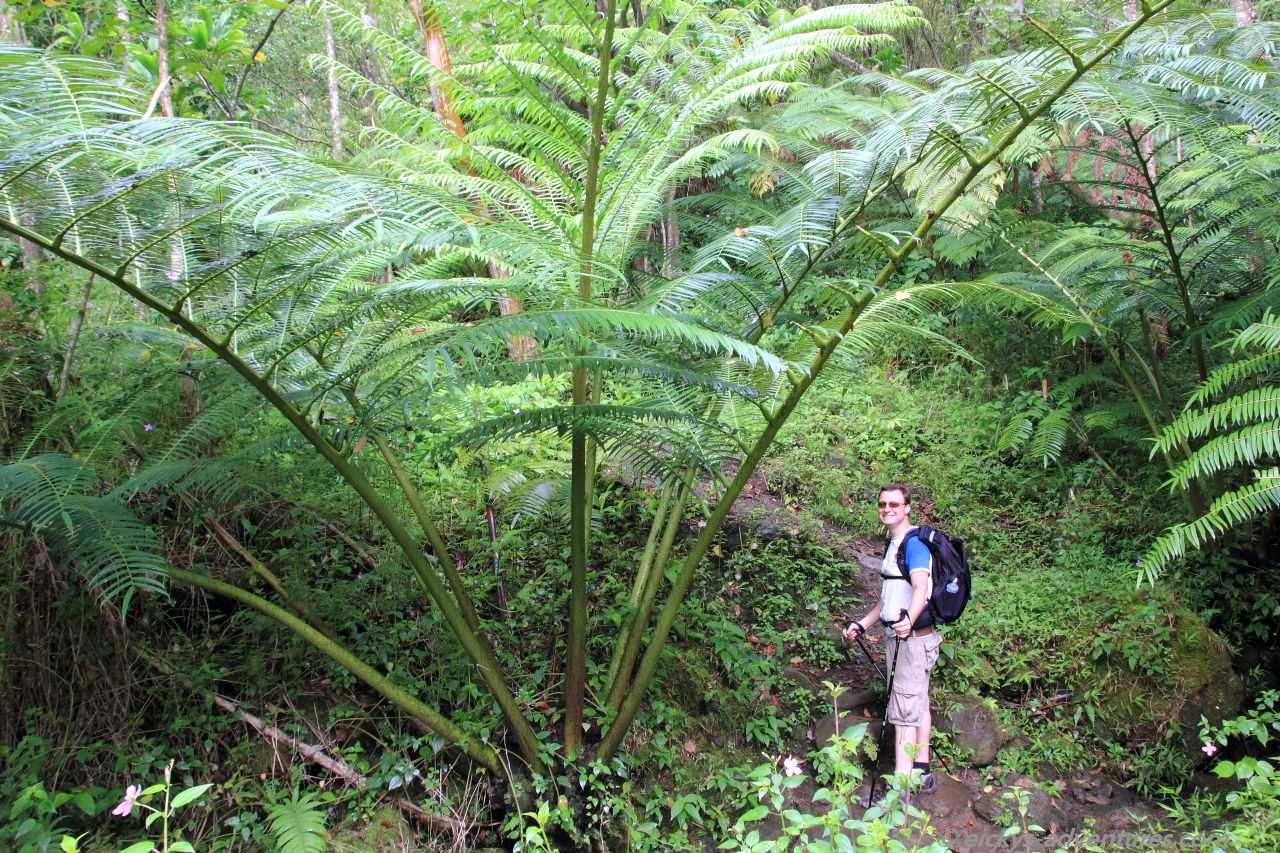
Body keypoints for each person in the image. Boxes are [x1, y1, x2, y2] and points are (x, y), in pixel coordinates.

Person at [842, 483, 942, 795]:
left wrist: (909, 620)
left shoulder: (913, 545)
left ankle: (900, 787)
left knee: (903, 710)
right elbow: (888, 600)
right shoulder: (896, 543)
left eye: (894, 504)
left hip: (911, 642)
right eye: (883, 504)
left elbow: (921, 588)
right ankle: (921, 770)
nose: (887, 509)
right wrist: (863, 623)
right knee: (916, 703)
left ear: (907, 508)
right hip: (904, 637)